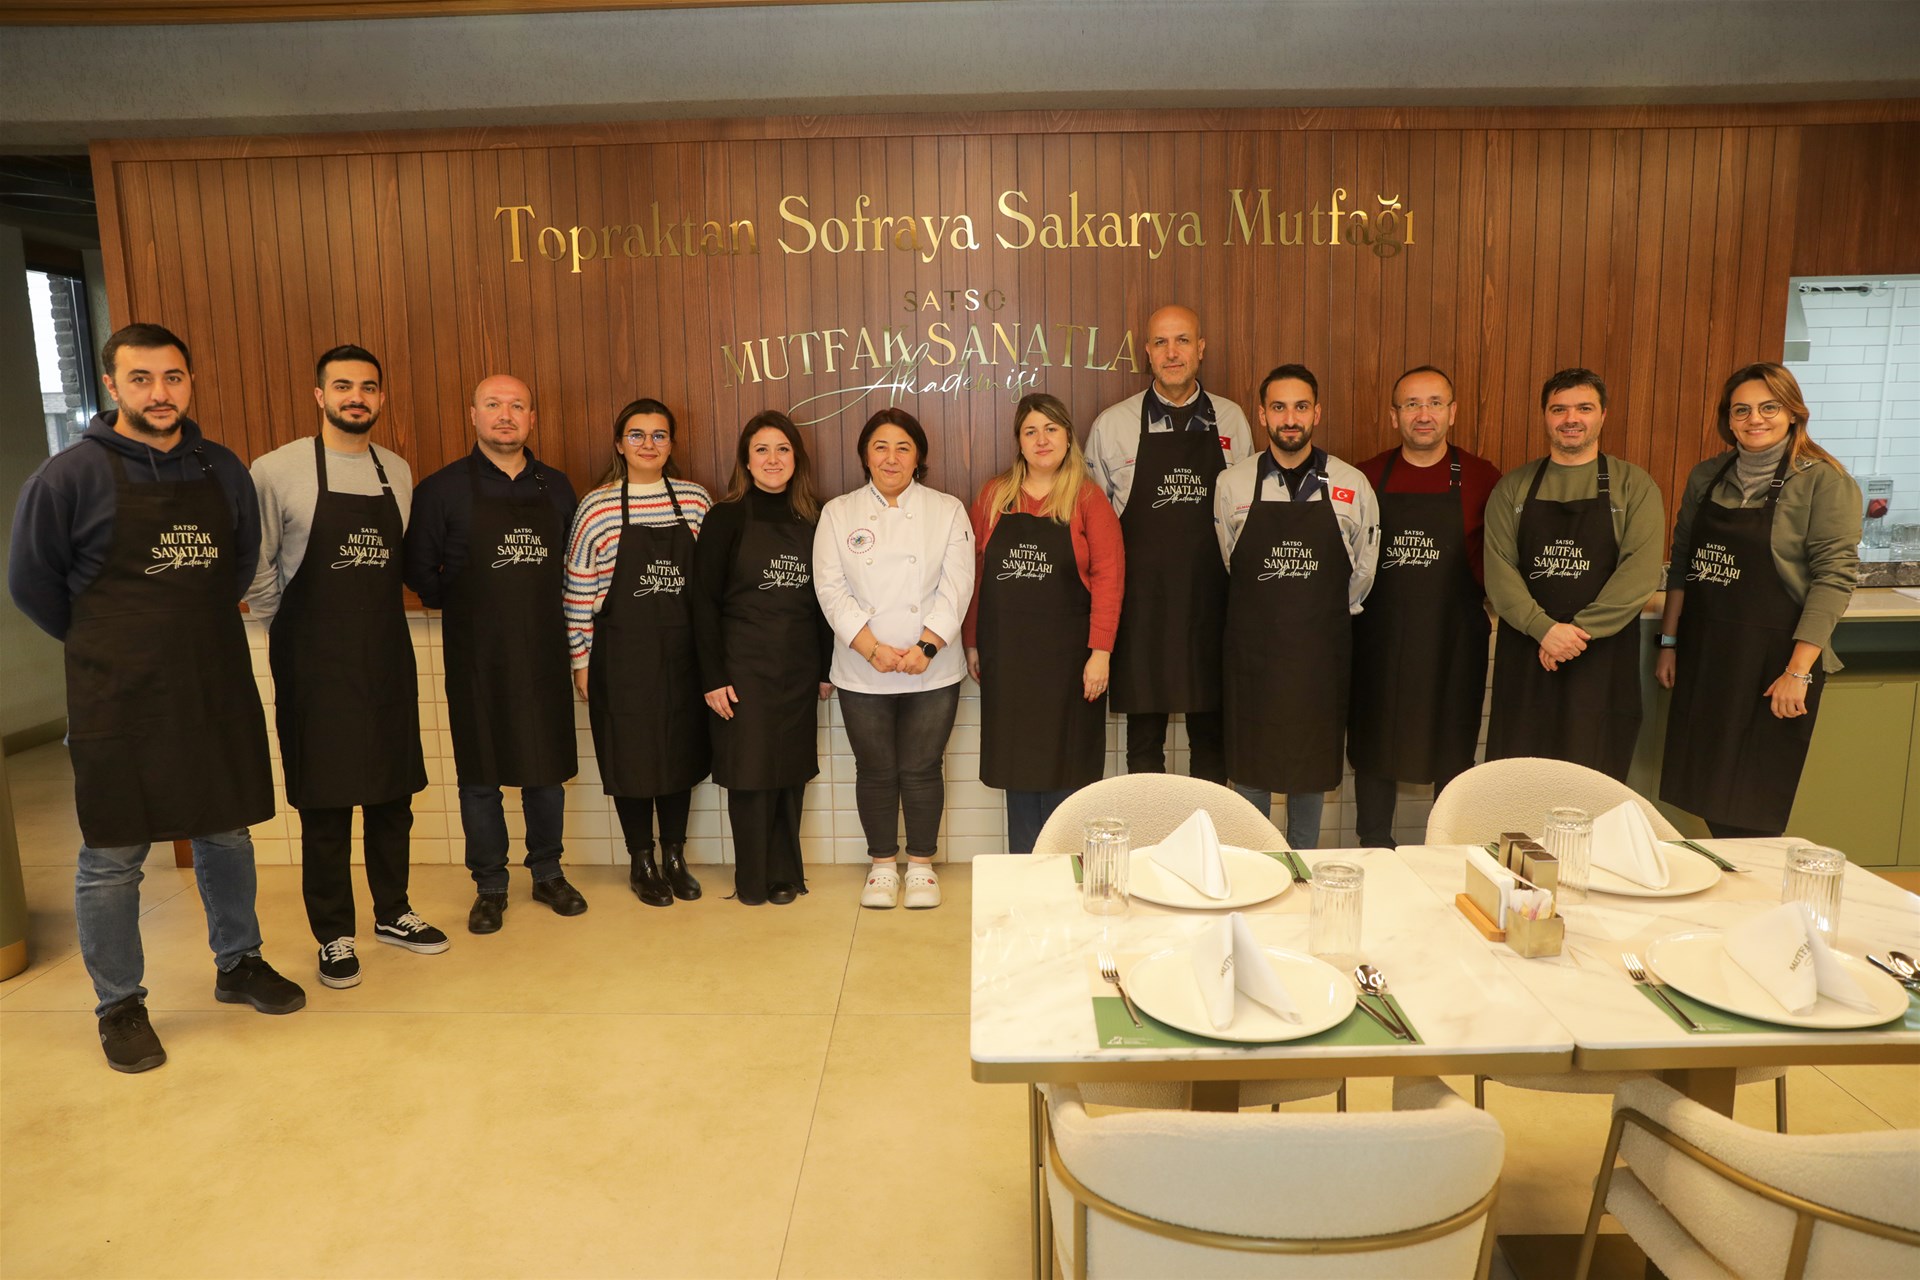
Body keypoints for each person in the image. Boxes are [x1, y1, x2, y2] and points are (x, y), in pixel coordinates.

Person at [8, 323, 304, 1073]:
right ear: (112, 385)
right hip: (116, 697)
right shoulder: (68, 476)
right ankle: (120, 1004)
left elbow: (239, 562)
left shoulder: (221, 468)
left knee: (226, 835)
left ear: (190, 381)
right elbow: (33, 583)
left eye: (173, 377)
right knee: (114, 854)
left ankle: (239, 962)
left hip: (211, 683)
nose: (159, 392)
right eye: (140, 378)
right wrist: (111, 640)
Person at [248, 344, 445, 989]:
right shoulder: (276, 469)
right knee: (325, 803)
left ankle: (394, 912)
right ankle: (333, 934)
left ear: (380, 397)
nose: (355, 397)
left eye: (367, 387)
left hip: (384, 655)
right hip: (313, 661)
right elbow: (259, 562)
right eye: (342, 386)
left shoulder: (398, 471)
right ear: (319, 395)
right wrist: (287, 628)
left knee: (393, 794)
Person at [405, 374, 585, 933]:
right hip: (475, 657)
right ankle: (490, 885)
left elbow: (575, 568)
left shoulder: (558, 487)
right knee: (479, 776)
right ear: (474, 414)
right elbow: (419, 571)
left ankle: (548, 873)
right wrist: (465, 599)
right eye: (493, 404)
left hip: (545, 651)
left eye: (517, 406)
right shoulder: (441, 489)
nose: (505, 415)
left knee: (544, 772)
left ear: (532, 418)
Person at [1657, 363, 1862, 838]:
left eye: (1769, 407)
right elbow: (1683, 562)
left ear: (1793, 413)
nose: (1755, 419)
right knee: (1704, 794)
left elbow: (1833, 580)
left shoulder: (1823, 481)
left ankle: (1754, 885)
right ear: (1728, 420)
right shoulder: (1707, 476)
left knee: (1752, 807)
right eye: (1742, 410)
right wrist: (1668, 643)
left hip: (1775, 665)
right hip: (1707, 658)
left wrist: (1798, 672)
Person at [814, 408, 974, 910]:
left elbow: (957, 584)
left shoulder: (947, 509)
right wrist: (872, 648)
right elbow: (830, 589)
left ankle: (922, 865)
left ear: (918, 456)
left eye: (903, 447)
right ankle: (882, 866)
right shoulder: (838, 513)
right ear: (865, 455)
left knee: (924, 767)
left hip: (933, 666)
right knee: (875, 769)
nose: (891, 457)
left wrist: (926, 646)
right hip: (862, 668)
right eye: (880, 446)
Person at [1085, 305, 1253, 783]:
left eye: (1182, 341)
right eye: (1161, 342)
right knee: (1143, 746)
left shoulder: (1232, 420)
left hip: (1213, 605)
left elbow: (1245, 516)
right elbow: (1096, 526)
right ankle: (1147, 830)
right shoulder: (1112, 425)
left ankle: (1208, 833)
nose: (1172, 352)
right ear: (1147, 352)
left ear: (1201, 349)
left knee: (1212, 742)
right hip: (1142, 607)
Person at [1214, 365, 1378, 850]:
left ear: (1317, 413)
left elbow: (1363, 572)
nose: (1290, 418)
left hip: (1319, 656)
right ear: (1262, 414)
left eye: (1301, 407)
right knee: (1251, 765)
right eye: (1279, 407)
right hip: (1252, 656)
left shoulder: (1352, 484)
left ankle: (1303, 864)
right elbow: (1229, 560)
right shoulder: (1232, 484)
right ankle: (1254, 864)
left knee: (1310, 768)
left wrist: (1319, 615)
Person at [565, 399, 712, 906]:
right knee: (629, 757)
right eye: (637, 435)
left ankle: (675, 856)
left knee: (679, 753)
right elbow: (578, 590)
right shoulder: (597, 507)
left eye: (659, 435)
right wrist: (581, 661)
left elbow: (709, 585)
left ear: (671, 444)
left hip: (684, 655)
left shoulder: (694, 500)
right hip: (620, 656)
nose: (648, 444)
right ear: (619, 444)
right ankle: (641, 860)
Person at [1485, 368, 1664, 781]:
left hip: (1601, 661)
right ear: (1544, 416)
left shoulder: (1634, 486)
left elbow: (1638, 574)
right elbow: (1499, 570)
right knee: (1520, 777)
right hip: (1528, 655)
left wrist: (1575, 633)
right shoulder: (1513, 487)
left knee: (1592, 777)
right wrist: (1543, 629)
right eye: (1559, 409)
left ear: (1603, 415)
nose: (1571, 419)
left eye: (1584, 408)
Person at [964, 394, 1124, 853]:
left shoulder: (1088, 499)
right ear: (1018, 440)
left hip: (1070, 663)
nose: (1042, 440)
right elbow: (974, 574)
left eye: (1051, 429)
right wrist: (972, 641)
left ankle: (1061, 868)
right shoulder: (994, 496)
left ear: (1068, 436)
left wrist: (1100, 653)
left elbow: (1110, 579)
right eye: (1030, 431)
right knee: (1017, 769)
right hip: (1008, 659)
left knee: (1067, 769)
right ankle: (1023, 869)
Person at [1349, 366, 1502, 847]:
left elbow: (1502, 561)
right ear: (1393, 415)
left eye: (1435, 403)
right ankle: (1375, 848)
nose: (1423, 414)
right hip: (1379, 643)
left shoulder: (1483, 478)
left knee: (1452, 748)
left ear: (1452, 413)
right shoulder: (1366, 476)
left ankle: (1445, 852)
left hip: (1453, 642)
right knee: (1375, 748)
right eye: (1411, 404)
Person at [691, 410, 834, 904]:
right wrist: (712, 676)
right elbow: (702, 602)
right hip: (741, 667)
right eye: (762, 450)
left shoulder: (816, 517)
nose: (773, 459)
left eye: (783, 449)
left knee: (790, 773)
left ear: (797, 458)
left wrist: (824, 668)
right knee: (750, 774)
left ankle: (785, 876)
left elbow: (826, 599)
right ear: (746, 461)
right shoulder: (725, 516)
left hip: (798, 665)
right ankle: (751, 880)